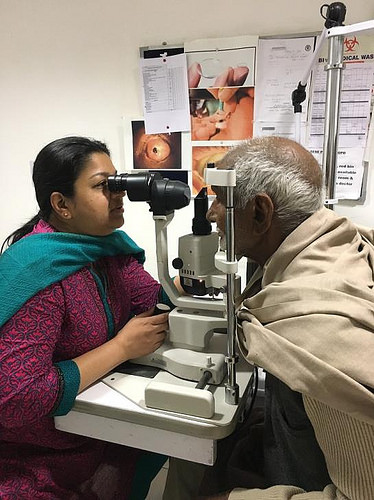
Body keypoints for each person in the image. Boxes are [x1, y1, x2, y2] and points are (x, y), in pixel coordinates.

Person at [164, 136, 374, 500]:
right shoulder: (330, 243)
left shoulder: (319, 333)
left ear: (260, 213)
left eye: (221, 199)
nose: (212, 214)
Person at [0, 136, 175, 499]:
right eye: (103, 186)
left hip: (96, 433)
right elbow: (16, 398)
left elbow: (156, 301)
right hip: (36, 455)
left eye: (118, 181)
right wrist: (121, 348)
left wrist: (192, 274)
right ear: (62, 204)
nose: (119, 193)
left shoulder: (105, 250)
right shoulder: (39, 271)